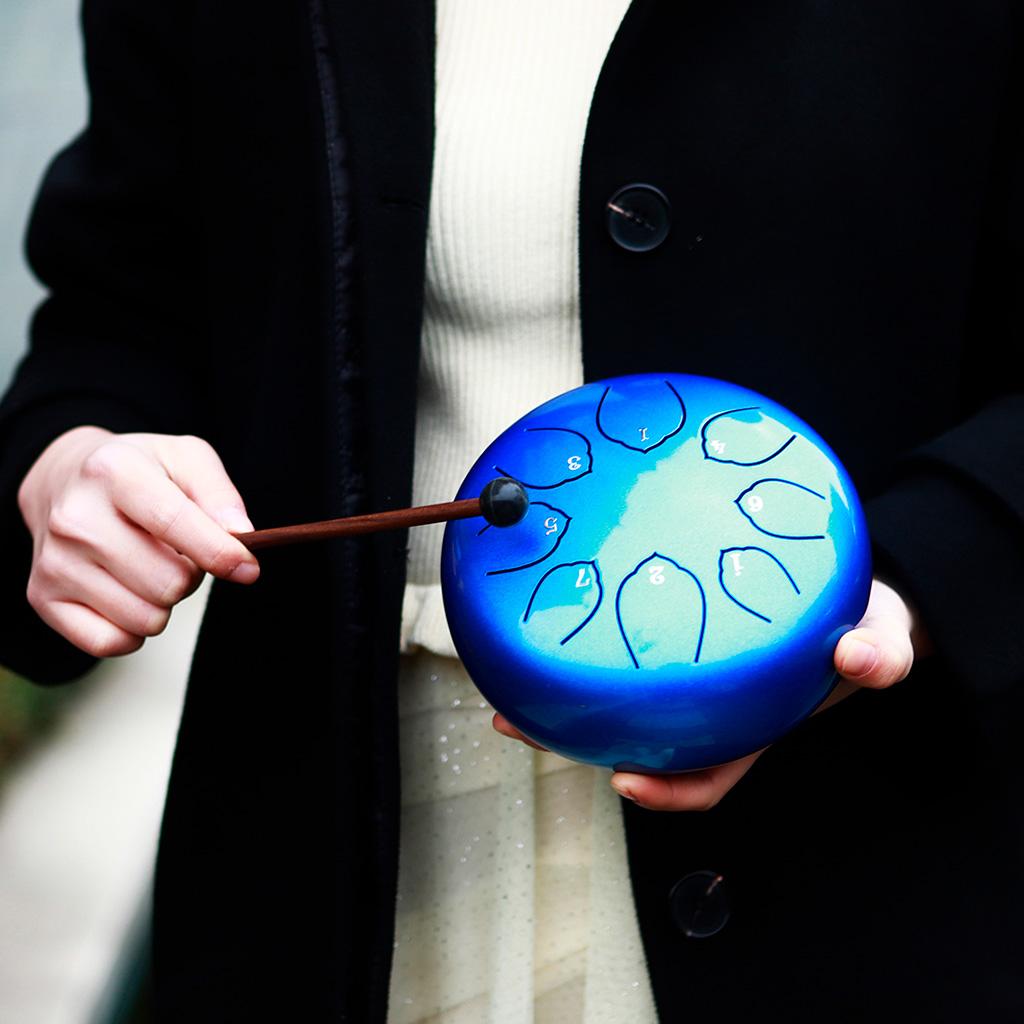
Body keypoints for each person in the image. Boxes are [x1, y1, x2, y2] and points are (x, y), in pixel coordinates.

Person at [1, 1, 1021, 1021]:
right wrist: (72, 459)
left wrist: (926, 570)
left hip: (875, 848)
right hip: (341, 847)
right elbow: (123, 303)